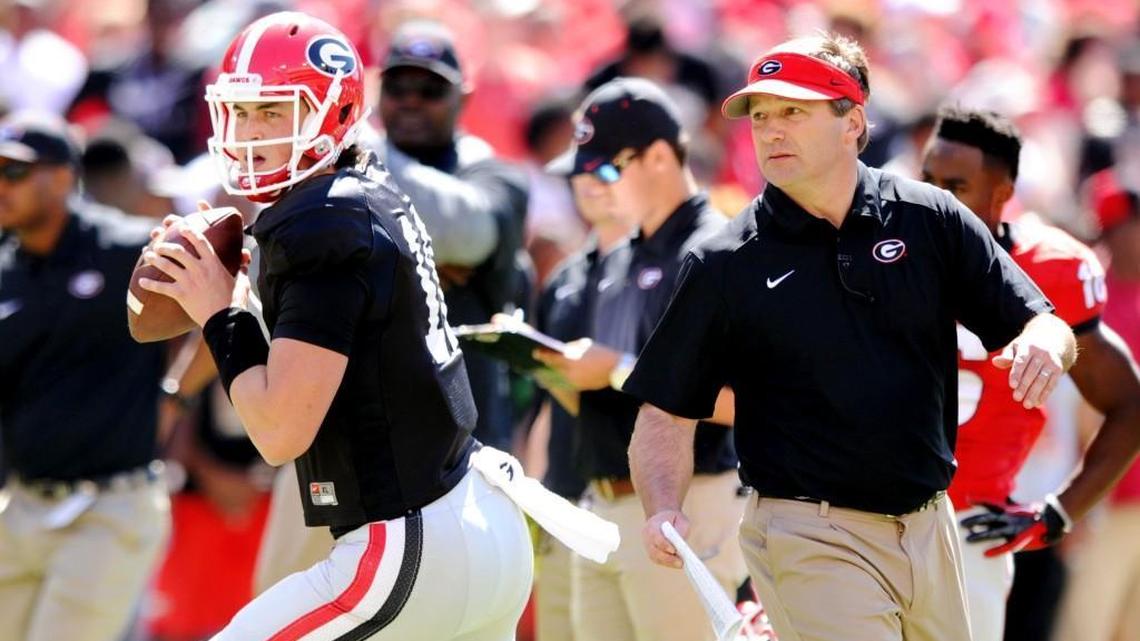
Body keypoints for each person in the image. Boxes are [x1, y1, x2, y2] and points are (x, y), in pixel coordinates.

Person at [624, 34, 1077, 641]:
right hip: (808, 531)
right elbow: (664, 415)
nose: (771, 131)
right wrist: (661, 507)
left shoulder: (930, 217)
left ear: (852, 121)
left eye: (793, 111)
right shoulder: (723, 262)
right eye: (761, 116)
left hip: (929, 524)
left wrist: (1046, 341)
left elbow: (1038, 318)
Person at [137, 13, 532, 640]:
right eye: (239, 112)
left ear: (333, 112)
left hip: (410, 540)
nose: (249, 133)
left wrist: (220, 309)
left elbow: (280, 431)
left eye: (273, 112)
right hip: (475, 523)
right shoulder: (361, 194)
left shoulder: (322, 220)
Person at [536, 77, 746, 641]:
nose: (592, 186)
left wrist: (616, 368)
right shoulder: (618, 255)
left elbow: (748, 401)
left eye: (606, 170)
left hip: (688, 501)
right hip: (600, 502)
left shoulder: (715, 247)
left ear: (658, 157)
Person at [920, 107, 1140, 641]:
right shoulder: (888, 251)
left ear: (1002, 193)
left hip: (972, 522)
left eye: (956, 185)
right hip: (869, 514)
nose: (935, 199)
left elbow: (1129, 406)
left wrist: (1059, 513)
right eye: (927, 182)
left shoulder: (1052, 267)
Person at [0, 112, 170, 641]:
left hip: (108, 506)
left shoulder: (124, 248)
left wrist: (177, 396)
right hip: (22, 505)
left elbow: (222, 292)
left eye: (13, 172)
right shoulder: (5, 269)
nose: (0, 186)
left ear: (60, 176)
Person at [377, 19, 530, 452]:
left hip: (465, 440)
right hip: (372, 433)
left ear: (465, 97)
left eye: (429, 91)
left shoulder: (497, 177)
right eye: (397, 88)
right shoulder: (347, 169)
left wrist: (354, 147)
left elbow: (470, 233)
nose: (411, 102)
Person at [528, 158, 635, 641]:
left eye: (606, 171)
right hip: (566, 499)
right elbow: (547, 401)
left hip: (638, 499)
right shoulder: (564, 279)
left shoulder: (675, 266)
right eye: (580, 173)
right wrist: (536, 499)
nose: (591, 186)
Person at [1055, 170, 1140, 641]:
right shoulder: (1090, 303)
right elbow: (1075, 417)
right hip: (1105, 497)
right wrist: (1076, 505)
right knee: (1085, 629)